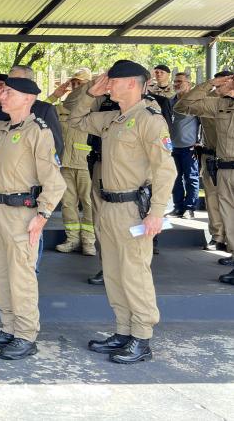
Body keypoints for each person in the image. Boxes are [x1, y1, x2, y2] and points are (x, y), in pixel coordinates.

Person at [70, 60, 175, 364]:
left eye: (111, 80)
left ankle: (141, 337)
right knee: (114, 273)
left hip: (133, 209)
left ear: (131, 83)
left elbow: (165, 170)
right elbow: (76, 121)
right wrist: (91, 93)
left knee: (134, 275)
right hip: (107, 206)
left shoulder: (150, 120)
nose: (107, 83)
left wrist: (156, 213)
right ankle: (123, 331)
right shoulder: (114, 118)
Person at [0, 78, 66, 360]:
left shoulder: (38, 132)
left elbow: (55, 182)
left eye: (10, 93)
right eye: (4, 92)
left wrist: (43, 214)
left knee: (21, 276)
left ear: (28, 99)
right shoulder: (4, 128)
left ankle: (25, 334)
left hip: (23, 212)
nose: (4, 96)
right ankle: (9, 327)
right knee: (0, 273)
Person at [173, 72, 234, 284]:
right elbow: (182, 106)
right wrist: (210, 84)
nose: (220, 86)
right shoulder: (219, 104)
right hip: (223, 165)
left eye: (225, 82)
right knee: (227, 213)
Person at [48, 69, 96, 255]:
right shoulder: (60, 108)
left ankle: (89, 242)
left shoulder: (94, 107)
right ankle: (72, 239)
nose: (76, 87)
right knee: (68, 203)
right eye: (74, 83)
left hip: (85, 164)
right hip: (64, 163)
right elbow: (37, 111)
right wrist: (54, 96)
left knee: (89, 203)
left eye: (80, 84)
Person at [168, 72, 200, 219]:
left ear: (189, 84)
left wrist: (200, 142)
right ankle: (178, 207)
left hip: (189, 147)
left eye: (180, 81)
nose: (176, 84)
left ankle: (190, 208)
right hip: (171, 147)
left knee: (191, 178)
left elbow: (204, 123)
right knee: (174, 177)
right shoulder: (170, 102)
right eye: (175, 81)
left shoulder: (195, 102)